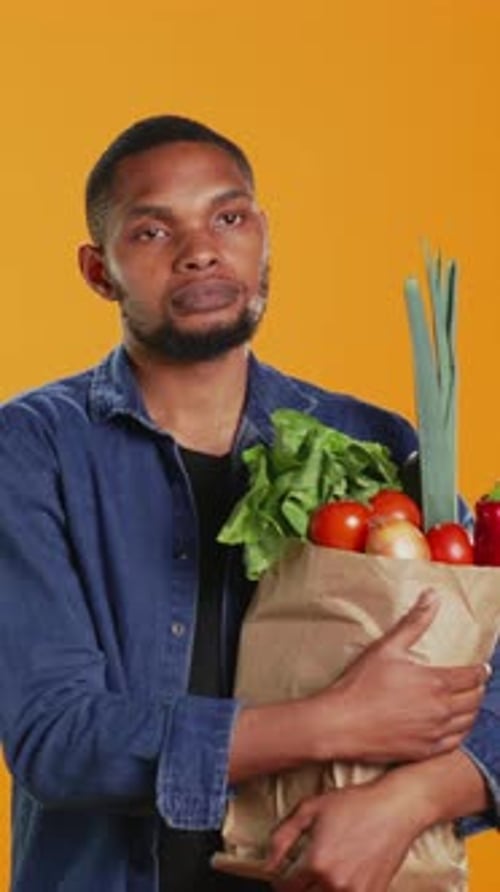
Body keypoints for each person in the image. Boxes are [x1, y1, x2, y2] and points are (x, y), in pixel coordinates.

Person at [0, 115, 497, 892]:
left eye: (228, 218)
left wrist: (411, 802)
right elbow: (58, 739)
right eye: (153, 232)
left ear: (264, 235)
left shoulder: (371, 444)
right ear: (99, 272)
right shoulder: (34, 449)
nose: (200, 250)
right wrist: (337, 721)